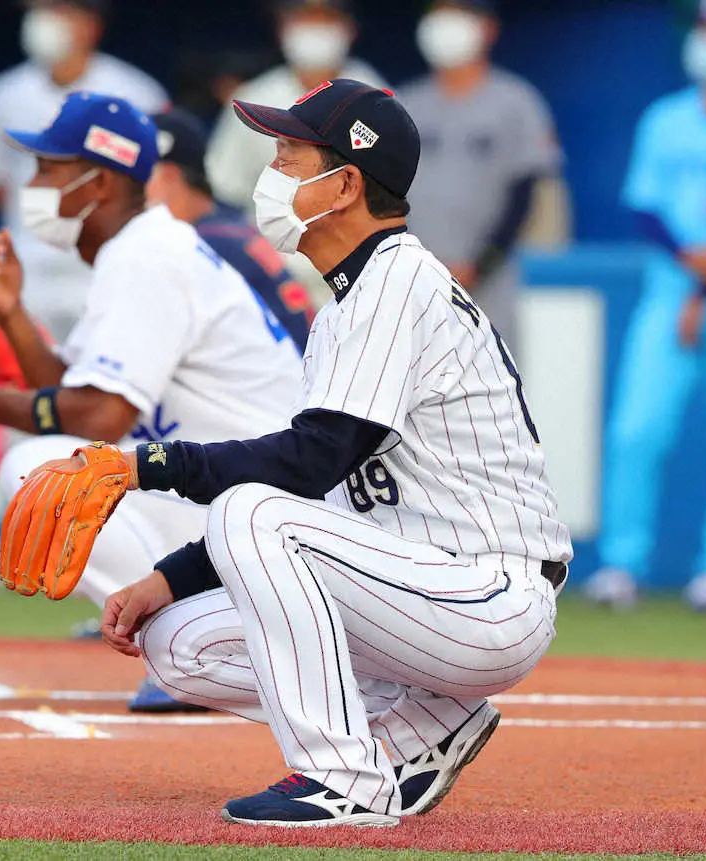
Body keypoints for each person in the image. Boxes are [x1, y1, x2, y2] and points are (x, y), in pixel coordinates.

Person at [86, 80, 571, 826]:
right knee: (178, 644)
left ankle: (343, 777)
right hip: (413, 586)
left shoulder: (396, 284)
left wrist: (150, 465)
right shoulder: (349, 303)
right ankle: (428, 722)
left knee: (252, 511)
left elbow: (308, 463)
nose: (271, 172)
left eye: (289, 154)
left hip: (485, 595)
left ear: (344, 185)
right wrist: (169, 578)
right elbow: (317, 490)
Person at [0, 92, 303, 709]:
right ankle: (212, 636)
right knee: (65, 460)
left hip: (263, 511)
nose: (33, 185)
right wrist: (12, 315)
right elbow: (75, 392)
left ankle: (210, 648)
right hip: (245, 501)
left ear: (99, 182)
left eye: (50, 168)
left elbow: (99, 418)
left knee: (40, 467)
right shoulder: (143, 247)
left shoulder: (148, 256)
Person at [585, 0, 706, 612]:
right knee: (637, 430)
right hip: (670, 293)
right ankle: (622, 565)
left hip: (695, 291)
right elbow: (646, 206)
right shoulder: (666, 119)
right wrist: (695, 272)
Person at [0, 0, 169, 342]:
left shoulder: (136, 93)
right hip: (30, 267)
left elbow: (156, 187)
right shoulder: (4, 94)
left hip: (104, 264)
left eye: (60, 10)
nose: (45, 20)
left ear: (91, 25)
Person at [397, 0, 566, 356]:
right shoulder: (404, 102)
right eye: (438, 14)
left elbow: (525, 193)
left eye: (458, 14)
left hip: (488, 281)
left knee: (490, 374)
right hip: (411, 280)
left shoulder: (515, 102)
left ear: (488, 27)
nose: (446, 25)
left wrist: (479, 264)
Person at [149, 107, 313, 353]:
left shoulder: (198, 244)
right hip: (300, 361)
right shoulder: (227, 224)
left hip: (291, 368)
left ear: (170, 177)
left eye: (140, 178)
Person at [206, 0, 386, 215]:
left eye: (324, 19)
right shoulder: (253, 100)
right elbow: (224, 189)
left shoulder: (380, 100)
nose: (314, 29)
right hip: (270, 235)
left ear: (349, 27)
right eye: (304, 18)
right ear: (282, 27)